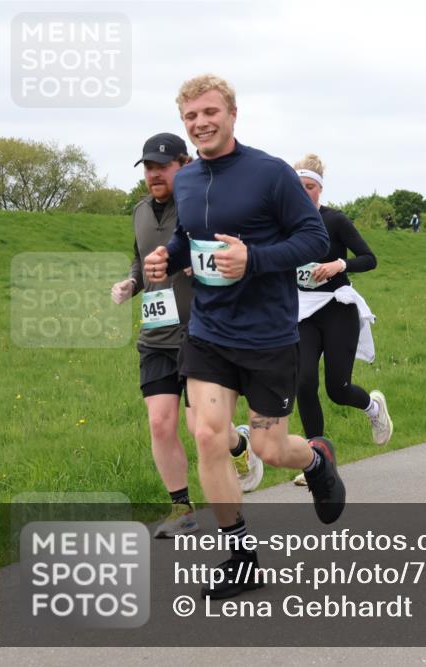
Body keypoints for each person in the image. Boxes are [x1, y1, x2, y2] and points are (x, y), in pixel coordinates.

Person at [142, 74, 343, 600]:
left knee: (271, 448)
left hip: (268, 335)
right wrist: (170, 257)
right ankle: (240, 554)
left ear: (232, 114)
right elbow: (190, 239)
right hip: (208, 331)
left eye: (210, 112)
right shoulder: (186, 180)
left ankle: (317, 459)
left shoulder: (270, 173)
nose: (201, 123)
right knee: (208, 434)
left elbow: (314, 239)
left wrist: (255, 258)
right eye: (191, 117)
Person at [110, 132, 263, 539]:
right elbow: (140, 260)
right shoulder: (140, 212)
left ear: (184, 164)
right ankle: (182, 507)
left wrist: (205, 267)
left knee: (202, 429)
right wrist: (130, 283)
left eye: (162, 166)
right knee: (161, 424)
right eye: (148, 167)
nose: (154, 174)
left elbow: (235, 256)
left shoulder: (204, 207)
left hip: (202, 334)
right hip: (156, 334)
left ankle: (238, 445)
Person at [290, 153, 392, 486]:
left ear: (319, 189)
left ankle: (373, 408)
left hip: (337, 308)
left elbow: (370, 258)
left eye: (310, 187)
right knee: (303, 381)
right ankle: (316, 458)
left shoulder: (335, 221)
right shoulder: (281, 224)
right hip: (303, 310)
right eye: (298, 186)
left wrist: (339, 265)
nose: (304, 192)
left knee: (337, 388)